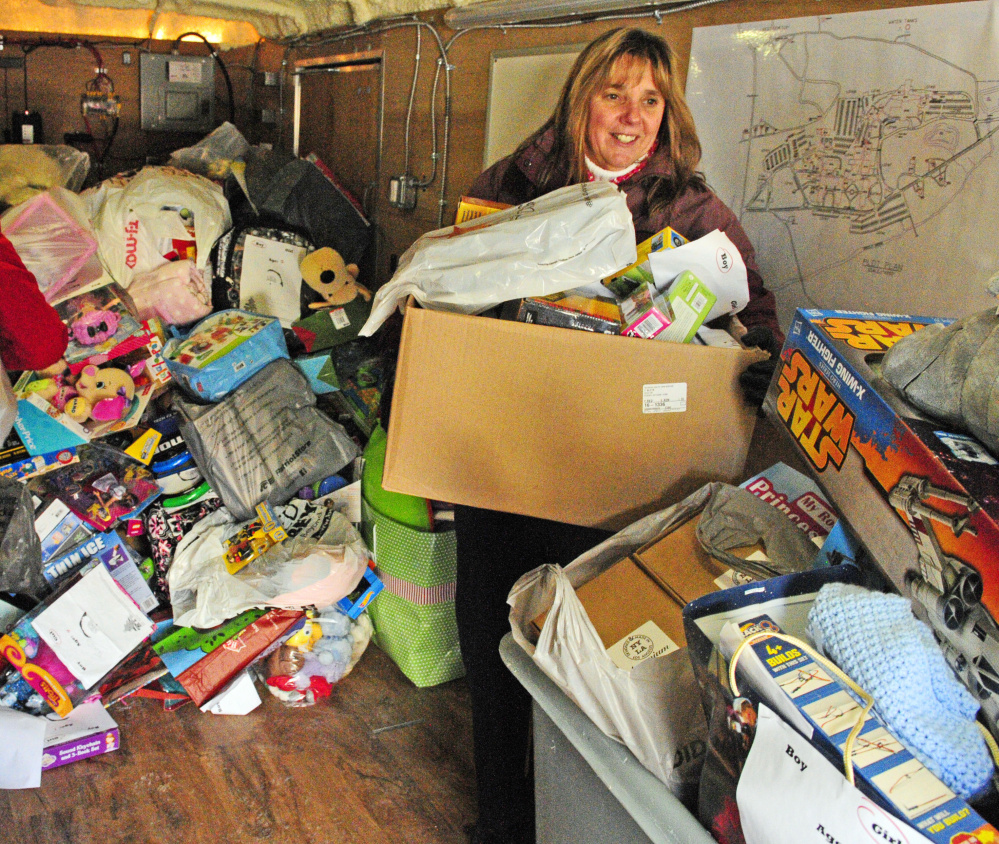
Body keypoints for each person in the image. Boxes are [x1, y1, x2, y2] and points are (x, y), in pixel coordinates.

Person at [455, 27, 782, 844]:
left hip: (617, 480)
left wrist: (757, 363)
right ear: (581, 99)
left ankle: (571, 815)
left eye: (650, 100)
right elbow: (448, 297)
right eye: (614, 94)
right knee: (493, 637)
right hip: (505, 454)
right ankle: (501, 817)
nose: (631, 117)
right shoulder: (510, 185)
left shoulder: (694, 211)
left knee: (585, 648)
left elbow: (758, 316)